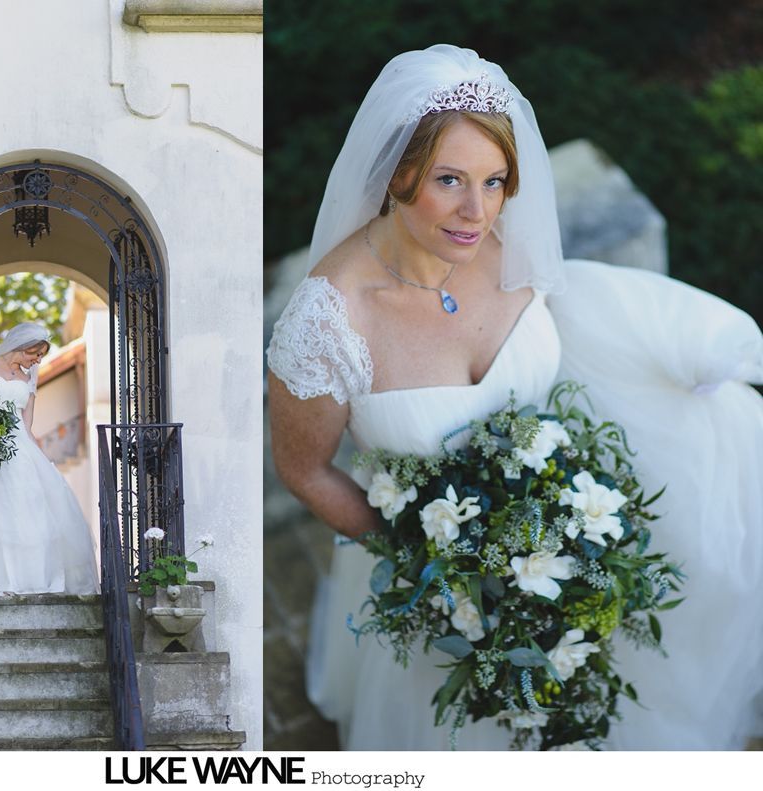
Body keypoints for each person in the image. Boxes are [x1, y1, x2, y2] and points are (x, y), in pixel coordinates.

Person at [267, 44, 763, 750]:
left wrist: (680, 354)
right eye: (450, 180)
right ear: (398, 174)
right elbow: (305, 469)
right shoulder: (327, 323)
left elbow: (580, 313)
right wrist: (431, 573)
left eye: (496, 180)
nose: (478, 211)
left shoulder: (503, 244)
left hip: (566, 547)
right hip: (443, 597)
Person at [0, 321, 98, 595]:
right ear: (23, 347)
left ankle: (30, 579)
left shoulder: (29, 378)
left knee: (28, 510)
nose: (38, 360)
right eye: (36, 353)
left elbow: (27, 425)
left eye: (41, 355)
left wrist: (42, 459)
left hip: (19, 449)